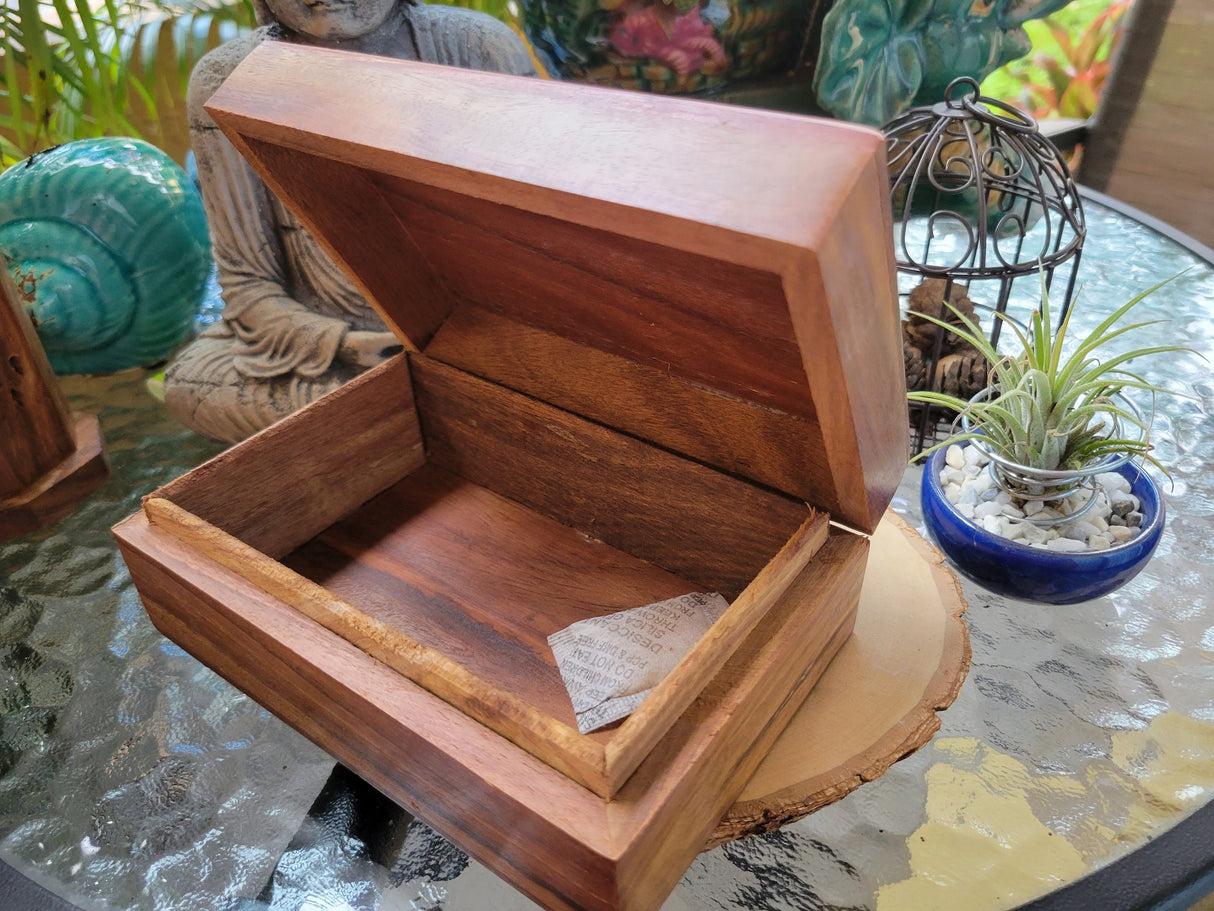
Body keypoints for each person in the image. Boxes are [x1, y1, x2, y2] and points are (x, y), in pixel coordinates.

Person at [164, 0, 536, 442]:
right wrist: (338, 342)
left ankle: (416, 420)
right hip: (344, 351)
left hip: (482, 334)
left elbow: (536, 244)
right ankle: (436, 418)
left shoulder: (477, 47)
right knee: (192, 384)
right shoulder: (226, 77)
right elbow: (248, 284)